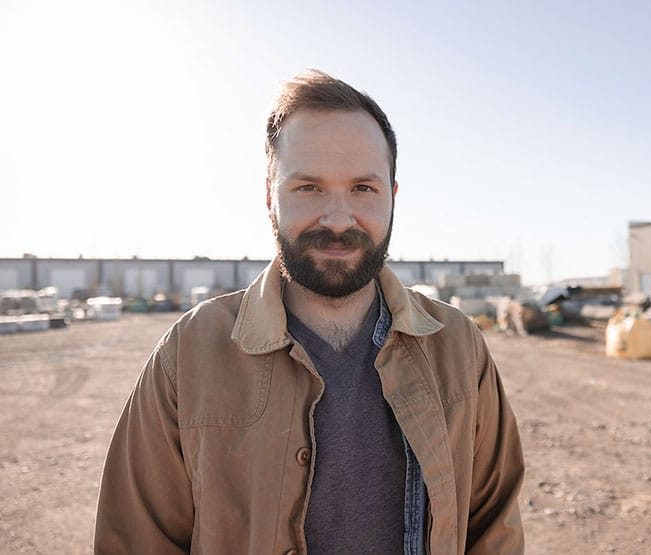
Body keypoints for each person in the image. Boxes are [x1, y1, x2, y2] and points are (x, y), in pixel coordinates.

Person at [94, 70, 524, 554]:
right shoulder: (189, 353)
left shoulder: (457, 344)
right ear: (269, 197)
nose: (338, 220)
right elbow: (135, 539)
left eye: (363, 188)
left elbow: (495, 526)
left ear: (392, 196)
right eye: (309, 188)